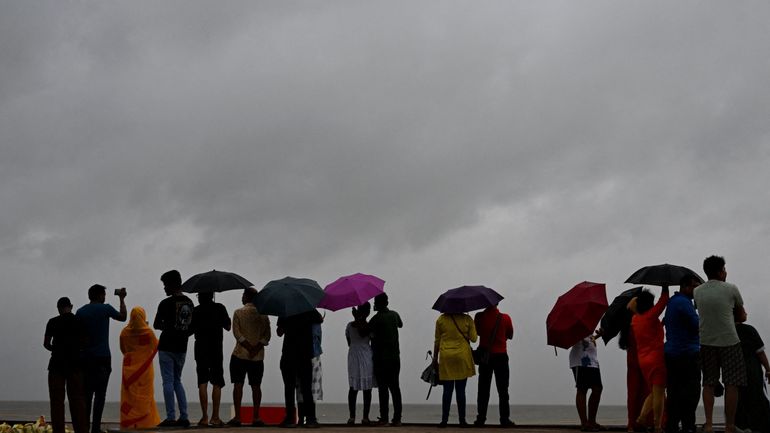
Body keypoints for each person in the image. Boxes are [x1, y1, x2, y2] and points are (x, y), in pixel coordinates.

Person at [693, 255, 747, 433]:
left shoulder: (697, 291)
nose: (726, 272)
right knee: (732, 383)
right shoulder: (731, 289)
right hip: (729, 341)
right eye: (724, 269)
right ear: (719, 271)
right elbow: (741, 316)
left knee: (708, 383)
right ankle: (729, 426)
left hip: (706, 341)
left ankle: (708, 425)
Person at [76, 285, 127, 433]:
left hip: (85, 358)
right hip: (103, 357)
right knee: (100, 394)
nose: (105, 297)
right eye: (104, 294)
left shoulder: (80, 312)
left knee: (87, 395)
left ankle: (84, 427)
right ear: (99, 295)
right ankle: (96, 428)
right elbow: (123, 317)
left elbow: (78, 336)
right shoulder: (106, 309)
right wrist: (122, 299)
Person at [153, 270, 194, 427]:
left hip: (166, 346)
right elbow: (191, 327)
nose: (164, 289)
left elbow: (157, 324)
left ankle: (171, 417)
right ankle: (184, 416)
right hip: (182, 346)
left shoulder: (165, 303)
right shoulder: (190, 303)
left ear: (171, 284)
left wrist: (168, 327)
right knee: (178, 380)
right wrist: (181, 331)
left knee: (168, 381)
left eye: (165, 285)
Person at [227, 287, 271, 427]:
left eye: (243, 295)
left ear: (246, 296)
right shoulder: (264, 315)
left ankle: (238, 417)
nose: (241, 297)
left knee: (238, 385)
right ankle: (256, 417)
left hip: (239, 354)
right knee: (256, 386)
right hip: (257, 357)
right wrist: (256, 348)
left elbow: (237, 333)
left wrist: (248, 346)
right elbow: (267, 336)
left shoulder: (238, 313)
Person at [663, 275, 701, 433]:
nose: (696, 290)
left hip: (672, 353)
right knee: (691, 393)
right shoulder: (684, 303)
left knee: (674, 392)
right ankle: (688, 426)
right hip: (686, 353)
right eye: (695, 287)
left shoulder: (672, 302)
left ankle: (672, 425)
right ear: (685, 286)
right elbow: (698, 324)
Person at [629, 286, 669, 433]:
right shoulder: (650, 316)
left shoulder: (635, 320)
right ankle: (657, 426)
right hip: (657, 359)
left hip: (643, 361)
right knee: (659, 394)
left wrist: (661, 324)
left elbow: (650, 329)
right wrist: (665, 286)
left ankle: (640, 419)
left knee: (653, 392)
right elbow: (663, 301)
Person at [45, 297, 88, 433]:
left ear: (58, 308)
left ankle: (59, 430)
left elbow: (46, 343)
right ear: (71, 306)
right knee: (77, 401)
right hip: (75, 365)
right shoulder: (79, 321)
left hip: (56, 365)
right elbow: (86, 342)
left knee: (57, 402)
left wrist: (56, 350)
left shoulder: (52, 322)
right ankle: (81, 430)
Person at [277, 309, 323, 428]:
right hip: (305, 354)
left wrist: (287, 326)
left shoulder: (286, 310)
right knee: (306, 388)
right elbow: (320, 319)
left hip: (288, 353)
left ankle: (290, 418)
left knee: (289, 388)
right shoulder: (309, 310)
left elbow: (279, 332)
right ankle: (311, 418)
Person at [190, 292, 231, 427]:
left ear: (200, 297)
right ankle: (216, 417)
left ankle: (204, 417)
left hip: (200, 348)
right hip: (216, 348)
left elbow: (189, 330)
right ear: (212, 295)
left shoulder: (195, 310)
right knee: (217, 381)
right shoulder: (220, 307)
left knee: (202, 381)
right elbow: (228, 326)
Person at [473, 303, 515, 427]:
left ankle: (481, 419)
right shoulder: (505, 318)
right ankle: (504, 419)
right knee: (503, 390)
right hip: (501, 356)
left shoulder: (479, 317)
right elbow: (510, 335)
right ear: (497, 303)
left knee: (483, 390)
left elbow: (477, 333)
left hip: (485, 357)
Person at [433, 311, 478, 428]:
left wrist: (434, 358)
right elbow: (474, 339)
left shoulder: (441, 319)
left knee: (447, 391)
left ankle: (444, 420)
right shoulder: (467, 319)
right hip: (462, 356)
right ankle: (462, 421)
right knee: (461, 390)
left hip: (446, 357)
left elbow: (437, 340)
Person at [119, 306, 161, 429]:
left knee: (129, 397)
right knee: (146, 396)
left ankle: (130, 423)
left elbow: (123, 349)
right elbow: (156, 345)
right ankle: (146, 423)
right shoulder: (148, 332)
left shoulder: (124, 332)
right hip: (145, 369)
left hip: (128, 370)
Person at [369, 293, 404, 426]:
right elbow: (400, 324)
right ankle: (397, 418)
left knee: (383, 389)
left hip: (380, 359)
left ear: (378, 304)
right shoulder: (394, 315)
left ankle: (384, 418)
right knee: (395, 388)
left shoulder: (375, 319)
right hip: (395, 357)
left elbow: (366, 332)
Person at [734, 308, 770, 433]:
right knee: (757, 398)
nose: (746, 313)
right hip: (752, 369)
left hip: (734, 371)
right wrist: (768, 369)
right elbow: (760, 353)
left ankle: (741, 425)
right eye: (743, 311)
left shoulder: (728, 332)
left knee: (740, 400)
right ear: (737, 314)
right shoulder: (749, 330)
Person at [346, 302, 376, 426]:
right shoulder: (369, 326)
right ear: (367, 312)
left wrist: (356, 318)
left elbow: (349, 341)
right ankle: (365, 417)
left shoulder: (349, 325)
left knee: (353, 388)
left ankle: (352, 417)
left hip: (353, 354)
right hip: (365, 355)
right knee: (367, 388)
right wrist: (358, 319)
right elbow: (366, 335)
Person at [569, 332, 604, 432]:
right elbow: (571, 340)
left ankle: (592, 421)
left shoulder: (586, 325)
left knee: (597, 389)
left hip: (592, 360)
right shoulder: (573, 324)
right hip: (580, 360)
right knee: (582, 389)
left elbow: (590, 338)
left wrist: (597, 336)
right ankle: (584, 423)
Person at [297, 317, 324, 426]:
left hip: (299, 355)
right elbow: (319, 339)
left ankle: (301, 418)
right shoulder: (316, 321)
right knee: (312, 389)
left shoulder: (296, 318)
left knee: (299, 389)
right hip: (314, 355)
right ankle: (311, 418)